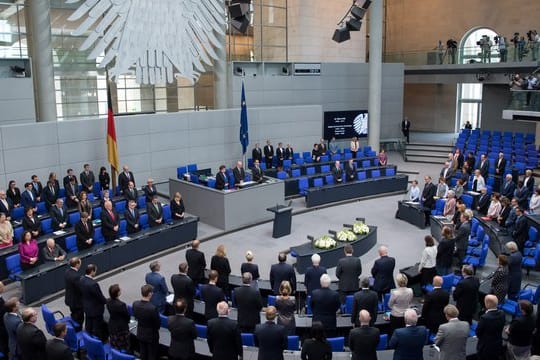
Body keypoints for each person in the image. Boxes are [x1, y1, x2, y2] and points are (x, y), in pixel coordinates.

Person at [79, 264, 107, 340]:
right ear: (92, 271)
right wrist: (106, 301)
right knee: (97, 328)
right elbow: (100, 297)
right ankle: (97, 342)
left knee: (88, 325)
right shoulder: (93, 284)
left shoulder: (81, 279)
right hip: (95, 309)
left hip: (86, 307)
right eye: (95, 271)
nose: (95, 273)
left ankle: (88, 339)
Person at [132, 284, 160, 360]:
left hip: (140, 332)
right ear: (150, 294)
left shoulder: (135, 304)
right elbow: (157, 324)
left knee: (143, 353)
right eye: (152, 292)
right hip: (151, 336)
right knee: (152, 355)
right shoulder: (153, 308)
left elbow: (136, 316)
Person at [476, 294, 505, 360]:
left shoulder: (484, 317)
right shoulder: (502, 313)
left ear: (487, 304)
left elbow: (478, 332)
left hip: (486, 347)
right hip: (498, 344)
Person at [106, 284, 131, 352]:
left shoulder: (108, 301)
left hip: (112, 325)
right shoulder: (121, 305)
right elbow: (126, 316)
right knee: (124, 345)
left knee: (114, 344)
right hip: (121, 328)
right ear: (118, 293)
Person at [64, 257, 84, 330]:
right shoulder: (76, 276)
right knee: (79, 317)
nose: (81, 264)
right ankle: (77, 331)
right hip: (76, 302)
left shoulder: (67, 271)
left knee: (73, 314)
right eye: (80, 263)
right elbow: (80, 289)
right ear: (77, 264)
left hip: (69, 298)